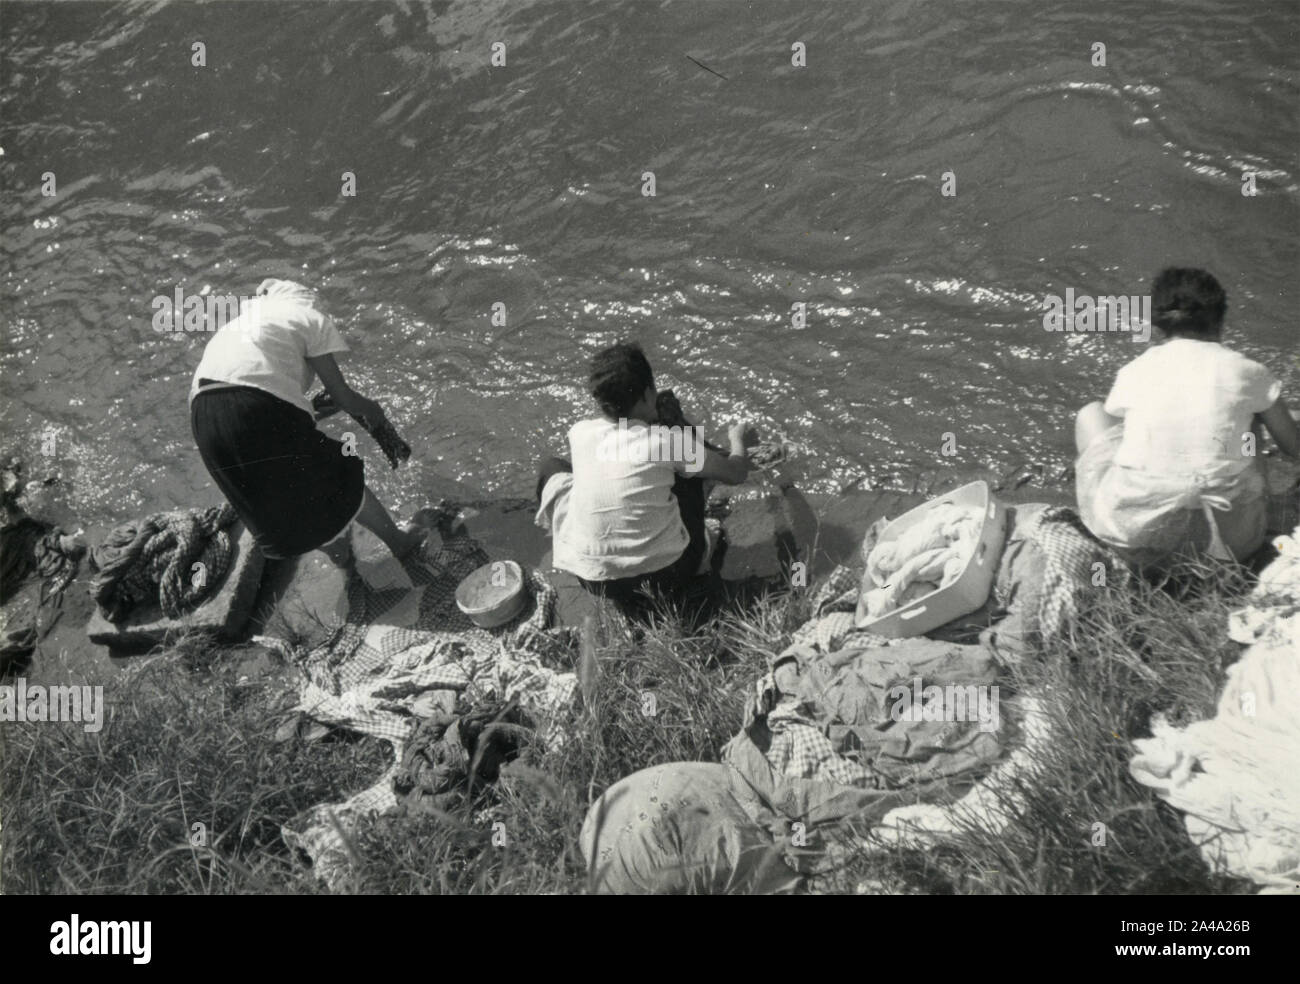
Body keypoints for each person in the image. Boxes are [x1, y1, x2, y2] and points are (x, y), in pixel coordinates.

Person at [1074, 267, 1298, 567]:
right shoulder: (1249, 371)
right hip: (1231, 547)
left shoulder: (1134, 371)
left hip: (1135, 542)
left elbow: (1118, 420)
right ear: (1221, 320)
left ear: (1157, 325)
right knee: (1253, 419)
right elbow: (1294, 447)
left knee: (1092, 414)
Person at [190, 278, 424, 564]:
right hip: (255, 407)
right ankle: (400, 543)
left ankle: (348, 571)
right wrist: (376, 414)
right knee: (338, 473)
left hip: (205, 421)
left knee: (286, 497)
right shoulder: (304, 317)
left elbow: (244, 391)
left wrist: (309, 410)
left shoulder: (239, 327)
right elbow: (345, 398)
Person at [538, 342, 756, 617]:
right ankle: (700, 556)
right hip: (667, 576)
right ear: (647, 393)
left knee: (553, 466)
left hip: (594, 581)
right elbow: (736, 473)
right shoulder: (667, 441)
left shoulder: (579, 432)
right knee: (686, 473)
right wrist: (737, 439)